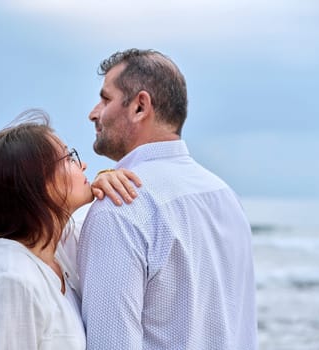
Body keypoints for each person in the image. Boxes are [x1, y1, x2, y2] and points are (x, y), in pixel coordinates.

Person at [77, 49, 258, 349]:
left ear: (140, 107)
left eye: (106, 99)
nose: (94, 113)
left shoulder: (121, 205)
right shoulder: (225, 197)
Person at [0, 109, 140, 350]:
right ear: (37, 181)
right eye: (69, 158)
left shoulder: (56, 253)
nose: (82, 165)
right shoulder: (9, 279)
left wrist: (108, 180)